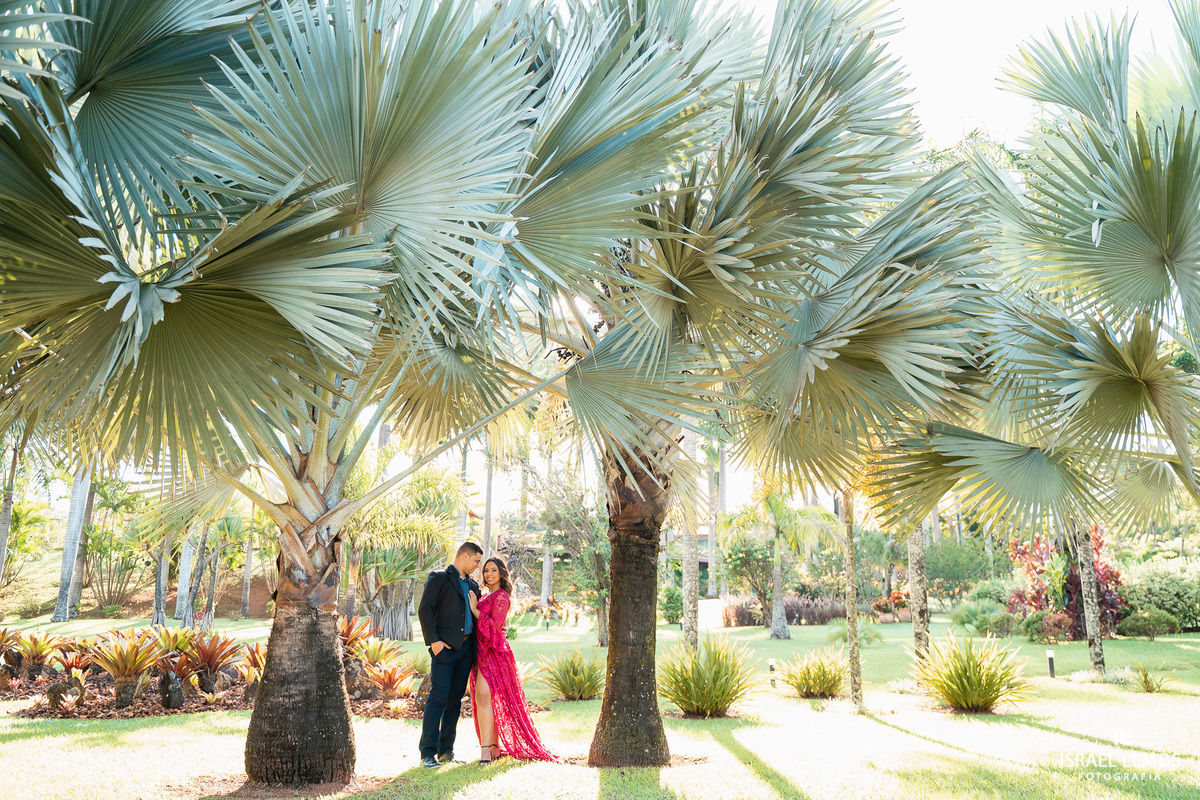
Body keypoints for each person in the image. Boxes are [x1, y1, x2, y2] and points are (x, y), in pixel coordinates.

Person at [468, 556, 556, 763]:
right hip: (480, 652)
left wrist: (474, 609)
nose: (488, 574)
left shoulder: (502, 597)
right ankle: (493, 749)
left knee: (482, 695)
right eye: (486, 571)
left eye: (493, 570)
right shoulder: (486, 595)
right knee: (485, 699)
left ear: (501, 573)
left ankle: (485, 753)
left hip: (495, 653)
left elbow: (495, 626)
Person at [417, 541, 483, 769]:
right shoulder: (439, 578)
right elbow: (425, 609)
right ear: (464, 556)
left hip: (466, 650)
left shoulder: (474, 585)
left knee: (454, 701)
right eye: (475, 561)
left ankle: (447, 751)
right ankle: (427, 753)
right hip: (444, 650)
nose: (477, 566)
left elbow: (479, 615)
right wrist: (434, 642)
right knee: (438, 698)